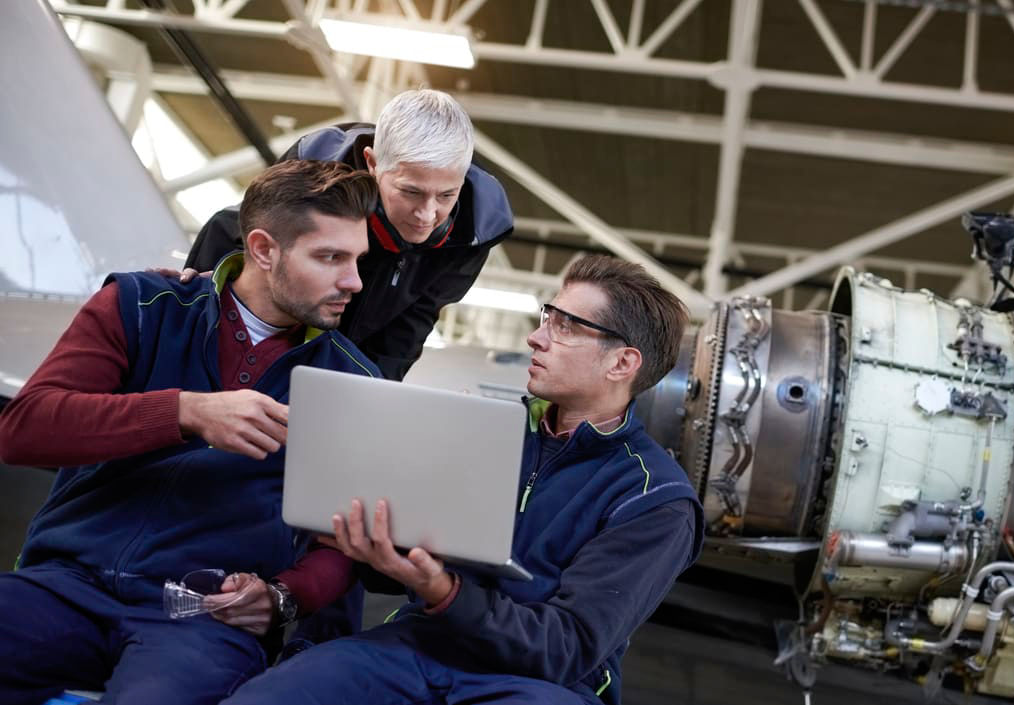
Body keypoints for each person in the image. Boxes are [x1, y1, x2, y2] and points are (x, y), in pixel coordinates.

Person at [221, 255, 703, 705]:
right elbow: (409, 565)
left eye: (567, 326)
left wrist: (444, 591)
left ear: (622, 363)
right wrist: (375, 548)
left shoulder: (654, 499)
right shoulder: (490, 433)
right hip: (419, 643)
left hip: (539, 686)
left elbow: (565, 647)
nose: (537, 338)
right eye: (546, 317)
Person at [0, 160, 381, 705]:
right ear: (264, 249)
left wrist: (282, 597)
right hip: (65, 587)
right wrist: (185, 412)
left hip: (203, 619)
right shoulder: (139, 306)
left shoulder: (353, 382)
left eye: (358, 260)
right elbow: (24, 429)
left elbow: (340, 544)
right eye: (331, 258)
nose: (354, 281)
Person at [184, 88, 514, 382]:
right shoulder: (315, 167)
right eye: (410, 192)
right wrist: (193, 298)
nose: (427, 215)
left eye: (446, 195)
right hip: (279, 331)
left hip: (359, 342)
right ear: (371, 163)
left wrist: (368, 396)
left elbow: (413, 323)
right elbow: (236, 230)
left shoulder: (478, 229)